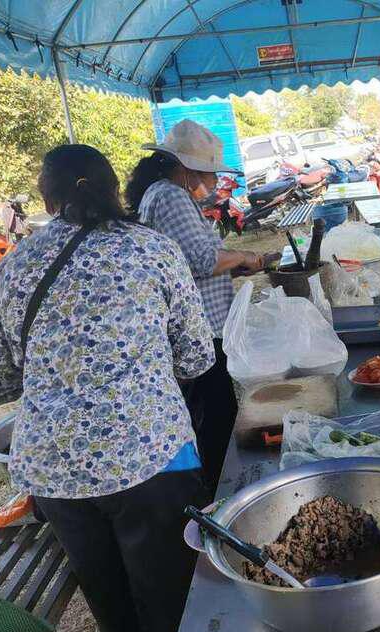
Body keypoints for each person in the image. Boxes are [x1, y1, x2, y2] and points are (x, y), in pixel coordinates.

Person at [0, 145, 214, 632]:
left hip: (56, 473)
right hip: (151, 457)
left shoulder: (12, 267)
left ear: (47, 198)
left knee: (107, 593)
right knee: (168, 596)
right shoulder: (153, 250)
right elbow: (197, 356)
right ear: (114, 190)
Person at [126, 119, 270, 491]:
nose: (213, 179)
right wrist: (243, 256)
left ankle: (212, 485)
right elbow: (202, 260)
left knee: (209, 415)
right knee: (215, 420)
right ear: (188, 169)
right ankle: (220, 493)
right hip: (199, 333)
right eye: (208, 172)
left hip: (197, 327)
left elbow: (184, 265)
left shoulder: (162, 194)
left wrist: (233, 266)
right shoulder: (171, 196)